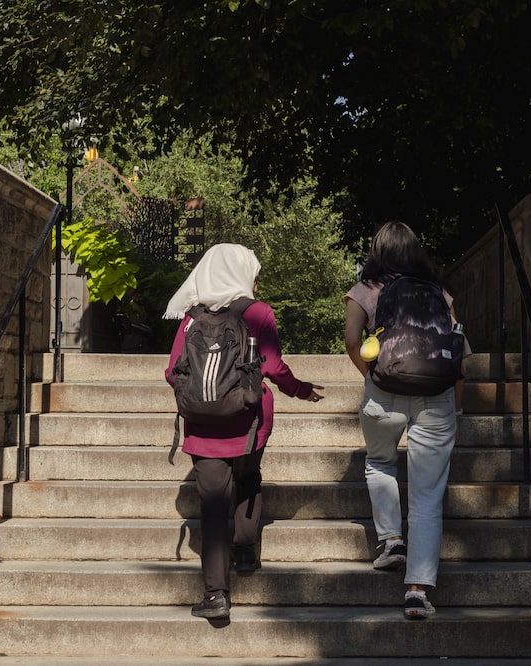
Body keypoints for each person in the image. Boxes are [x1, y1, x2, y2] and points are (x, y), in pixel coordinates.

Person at [164, 243, 324, 620]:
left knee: (214, 507)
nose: (256, 278)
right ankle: (246, 552)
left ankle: (216, 596)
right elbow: (273, 366)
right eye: (253, 270)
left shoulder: (191, 317)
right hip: (250, 421)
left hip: (203, 426)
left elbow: (172, 371)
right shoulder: (258, 312)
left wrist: (202, 398)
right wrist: (300, 390)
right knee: (248, 477)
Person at [343, 221, 470, 619]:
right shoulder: (438, 291)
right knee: (427, 494)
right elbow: (460, 352)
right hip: (437, 396)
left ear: (376, 252)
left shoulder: (365, 289)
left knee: (379, 462)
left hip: (385, 392)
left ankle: (392, 540)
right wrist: (458, 409)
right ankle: (417, 591)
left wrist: (374, 380)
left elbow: (351, 341)